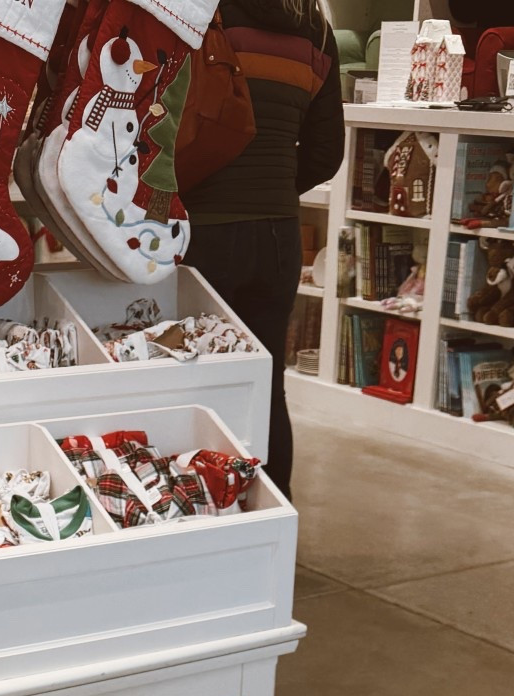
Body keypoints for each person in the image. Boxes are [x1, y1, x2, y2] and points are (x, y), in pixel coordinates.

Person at [184, 0, 344, 497]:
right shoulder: (317, 31)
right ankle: (272, 512)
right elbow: (326, 153)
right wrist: (270, 189)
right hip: (278, 237)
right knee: (266, 385)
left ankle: (201, 511)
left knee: (190, 384)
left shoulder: (204, 13)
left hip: (202, 229)